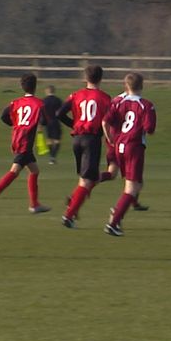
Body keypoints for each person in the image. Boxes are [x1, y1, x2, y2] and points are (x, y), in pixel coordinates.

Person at [0, 73, 51, 214]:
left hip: (17, 139)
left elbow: (3, 116)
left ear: (22, 87)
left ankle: (34, 204)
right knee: (14, 171)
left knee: (34, 170)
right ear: (35, 86)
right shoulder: (39, 103)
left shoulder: (16, 103)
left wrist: (16, 124)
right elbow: (46, 121)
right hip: (25, 142)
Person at [102, 72, 157, 236]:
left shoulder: (118, 103)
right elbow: (150, 129)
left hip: (119, 146)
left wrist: (111, 139)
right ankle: (113, 222)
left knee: (137, 184)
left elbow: (105, 121)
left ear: (126, 86)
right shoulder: (146, 105)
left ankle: (119, 209)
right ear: (142, 86)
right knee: (132, 188)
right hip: (134, 147)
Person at [57, 65, 111, 228]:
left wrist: (74, 124)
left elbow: (59, 114)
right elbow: (109, 121)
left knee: (88, 178)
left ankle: (73, 201)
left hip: (77, 139)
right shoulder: (105, 98)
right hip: (91, 140)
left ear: (85, 78)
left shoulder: (75, 95)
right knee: (87, 181)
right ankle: (68, 215)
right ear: (101, 79)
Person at [99, 90, 150, 211]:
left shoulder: (116, 100)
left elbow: (107, 120)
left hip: (116, 142)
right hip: (124, 142)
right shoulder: (127, 102)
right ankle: (88, 183)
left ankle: (133, 202)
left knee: (115, 175)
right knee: (133, 180)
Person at [41, 85, 63, 164]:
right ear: (54, 91)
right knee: (57, 140)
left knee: (49, 139)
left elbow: (41, 113)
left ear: (47, 91)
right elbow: (62, 111)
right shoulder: (58, 100)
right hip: (56, 121)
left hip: (48, 122)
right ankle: (53, 156)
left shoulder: (44, 101)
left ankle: (51, 157)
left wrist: (41, 122)